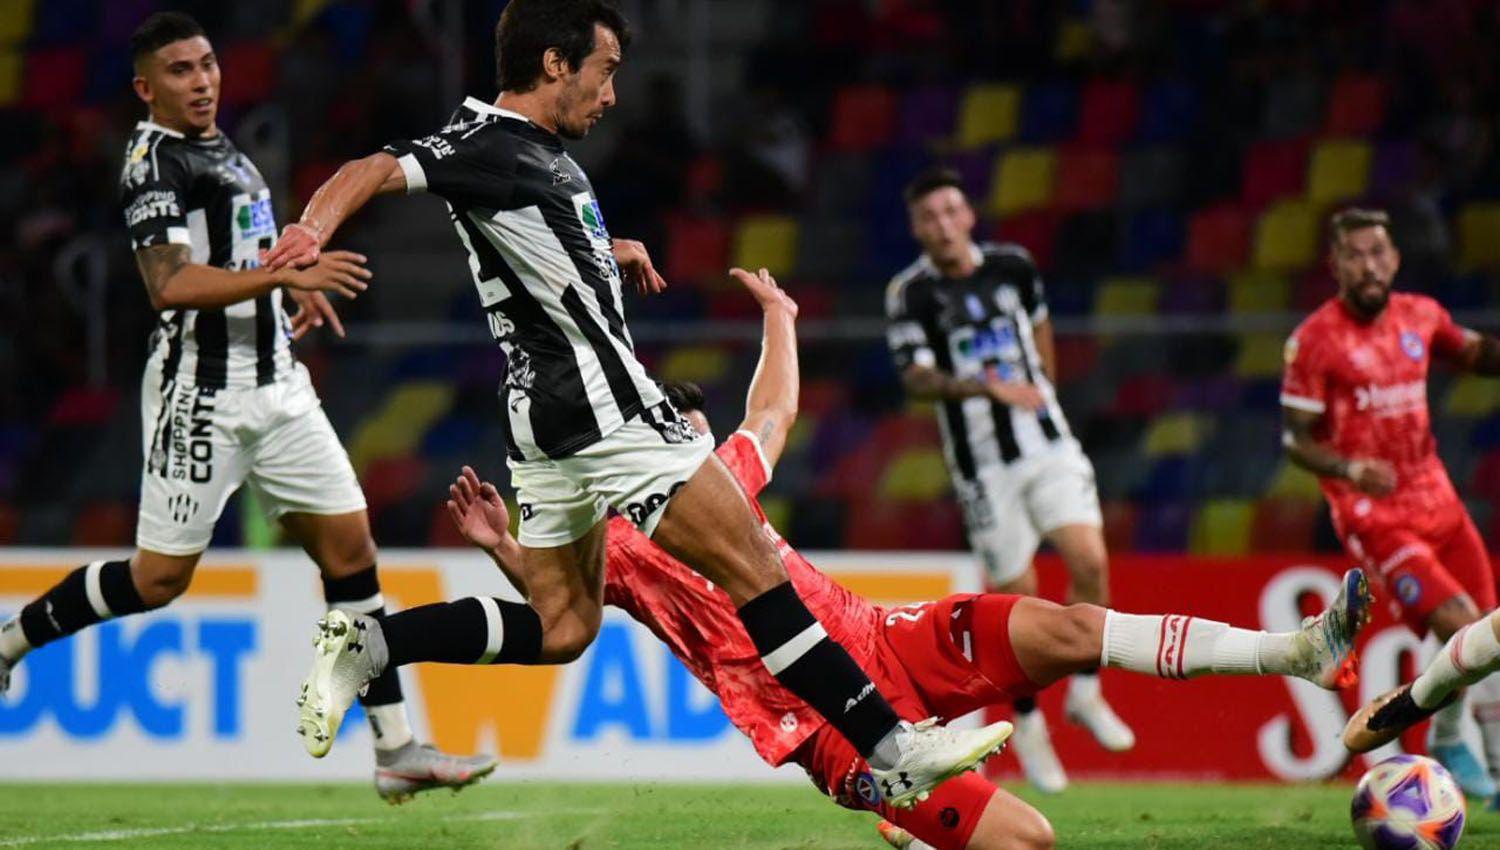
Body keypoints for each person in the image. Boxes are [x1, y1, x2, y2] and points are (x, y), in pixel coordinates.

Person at [269, 0, 1012, 807]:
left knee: (563, 625)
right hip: (605, 407)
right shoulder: (486, 142)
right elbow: (370, 168)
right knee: (757, 568)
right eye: (606, 70)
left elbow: (527, 242)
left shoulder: (538, 157)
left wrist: (601, 250)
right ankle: (891, 743)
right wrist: (311, 229)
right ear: (555, 63)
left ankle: (373, 644)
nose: (612, 94)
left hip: (544, 423)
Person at [426, 267, 1370, 850]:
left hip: (887, 637)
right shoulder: (622, 543)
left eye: (699, 438)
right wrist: (509, 545)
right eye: (686, 437)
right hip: (825, 727)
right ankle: (904, 818)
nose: (707, 456)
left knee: (1075, 628)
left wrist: (781, 317)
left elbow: (773, 414)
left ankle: (1295, 653)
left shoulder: (724, 480)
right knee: (1026, 840)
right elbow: (565, 606)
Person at [0, 12, 492, 803]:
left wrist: (281, 298)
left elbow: (232, 255)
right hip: (202, 395)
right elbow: (171, 284)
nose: (201, 82)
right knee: (160, 579)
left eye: (207, 65)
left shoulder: (220, 147)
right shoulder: (151, 160)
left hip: (278, 382)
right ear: (145, 87)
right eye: (181, 72)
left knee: (351, 552)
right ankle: (12, 640)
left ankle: (398, 749)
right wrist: (281, 281)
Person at [884, 166, 1130, 793]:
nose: (942, 225)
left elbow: (1040, 328)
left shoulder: (1014, 267)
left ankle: (1086, 692)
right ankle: (1028, 721)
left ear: (968, 215)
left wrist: (1039, 393)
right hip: (983, 469)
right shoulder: (910, 294)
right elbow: (914, 378)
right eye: (929, 217)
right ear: (916, 228)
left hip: (1045, 447)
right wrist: (984, 386)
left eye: (950, 211)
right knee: (1018, 599)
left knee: (1090, 561)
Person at [1280, 208, 1500, 800]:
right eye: (1355, 254)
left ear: (1395, 258)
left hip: (1440, 499)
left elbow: (1476, 353)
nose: (1369, 264)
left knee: (1491, 633)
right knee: (1458, 624)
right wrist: (1349, 468)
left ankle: (1483, 760)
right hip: (1373, 516)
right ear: (1336, 265)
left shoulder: (1420, 316)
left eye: (1378, 252)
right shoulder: (1315, 341)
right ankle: (1448, 741)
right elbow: (1294, 437)